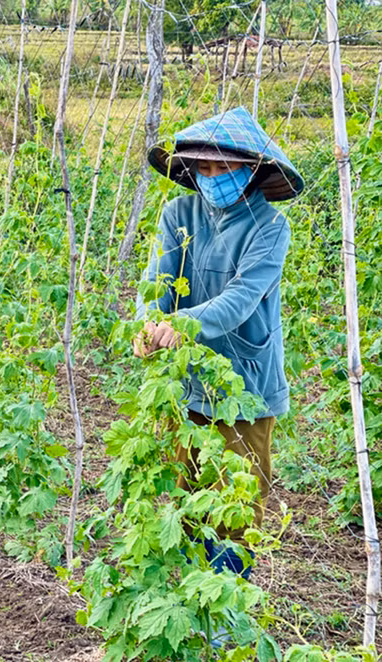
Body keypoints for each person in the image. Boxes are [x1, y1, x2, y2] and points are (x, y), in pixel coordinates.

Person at [133, 106, 304, 579]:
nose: (211, 178)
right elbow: (157, 281)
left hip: (245, 385)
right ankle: (191, 594)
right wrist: (147, 323)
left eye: (222, 168)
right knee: (187, 493)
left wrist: (183, 324)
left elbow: (241, 299)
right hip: (185, 380)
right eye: (202, 168)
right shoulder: (178, 214)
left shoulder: (270, 227)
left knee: (236, 503)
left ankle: (227, 601)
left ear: (251, 169)